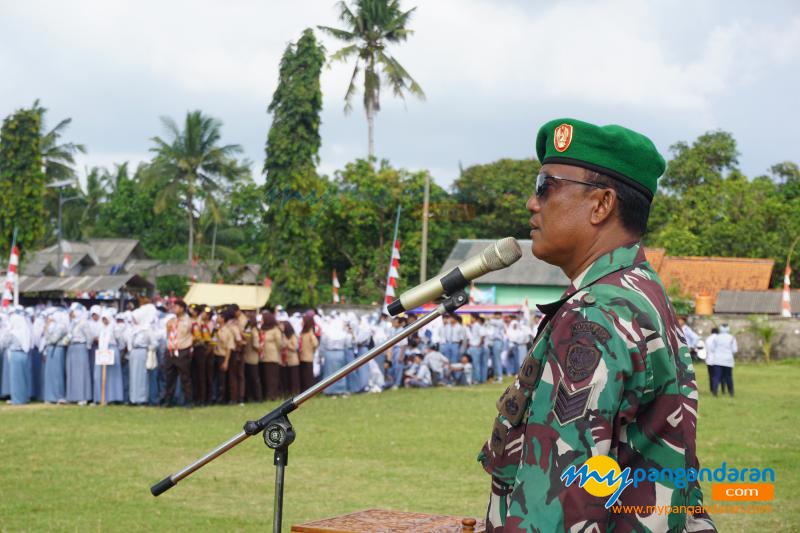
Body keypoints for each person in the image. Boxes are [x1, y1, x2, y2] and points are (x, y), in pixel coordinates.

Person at [479, 118, 714, 531]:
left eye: (545, 186)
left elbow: (553, 509)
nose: (532, 204)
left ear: (602, 205)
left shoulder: (593, 316)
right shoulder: (641, 291)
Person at [161, 300, 193, 407]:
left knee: (185, 377)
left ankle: (188, 400)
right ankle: (168, 400)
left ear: (182, 309)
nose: (174, 309)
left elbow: (184, 331)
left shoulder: (187, 320)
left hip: (182, 350)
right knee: (169, 377)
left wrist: (174, 325)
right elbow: (168, 333)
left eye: (177, 307)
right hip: (170, 350)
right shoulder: (172, 320)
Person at [93, 308, 124, 404]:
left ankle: (112, 397)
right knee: (99, 375)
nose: (104, 321)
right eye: (103, 319)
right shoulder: (101, 328)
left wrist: (117, 349)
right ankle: (100, 397)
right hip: (102, 351)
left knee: (112, 376)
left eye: (105, 319)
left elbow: (121, 341)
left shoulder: (115, 327)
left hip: (112, 350)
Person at [128, 304, 157, 406]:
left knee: (141, 376)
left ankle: (142, 399)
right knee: (133, 376)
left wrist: (149, 349)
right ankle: (133, 398)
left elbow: (154, 342)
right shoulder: (134, 329)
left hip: (142, 352)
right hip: (133, 352)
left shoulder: (146, 329)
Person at [260, 311, 284, 402]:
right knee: (266, 377)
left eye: (263, 319)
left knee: (272, 378)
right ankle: (267, 395)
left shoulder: (275, 330)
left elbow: (279, 344)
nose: (261, 320)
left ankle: (273, 396)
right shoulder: (263, 329)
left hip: (272, 357)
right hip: (263, 357)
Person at [709, 324, 737, 397]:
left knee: (716, 376)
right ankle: (731, 392)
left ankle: (714, 392)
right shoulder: (732, 338)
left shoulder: (716, 337)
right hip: (728, 360)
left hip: (718, 360)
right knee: (728, 377)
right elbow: (734, 350)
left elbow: (712, 348)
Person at [299, 312, 319, 392]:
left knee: (308, 376)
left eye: (303, 321)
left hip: (308, 357)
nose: (301, 322)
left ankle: (309, 391)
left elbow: (315, 343)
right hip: (302, 356)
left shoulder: (310, 332)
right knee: (304, 375)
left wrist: (312, 350)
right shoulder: (303, 332)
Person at [704, 327, 719, 394]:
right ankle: (716, 389)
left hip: (709, 360)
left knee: (711, 375)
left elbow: (706, 350)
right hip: (717, 360)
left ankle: (711, 389)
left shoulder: (708, 339)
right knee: (717, 376)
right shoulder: (719, 338)